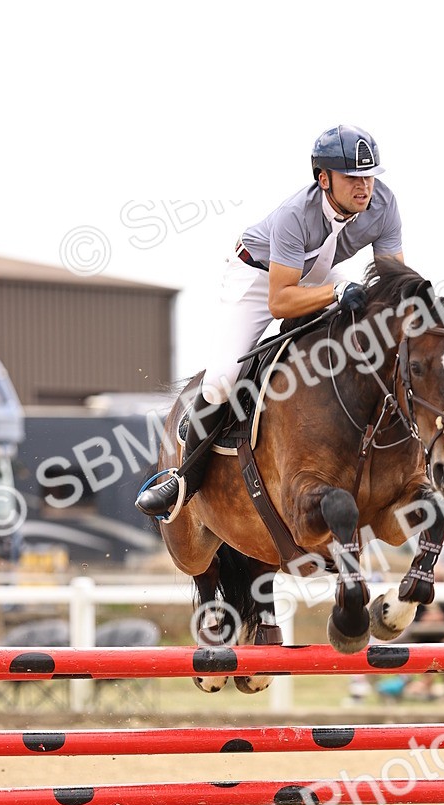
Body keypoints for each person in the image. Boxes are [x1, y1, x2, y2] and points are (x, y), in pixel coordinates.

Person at [137, 124, 404, 518]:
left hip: (318, 272)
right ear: (324, 179)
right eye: (352, 178)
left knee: (373, 315)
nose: (364, 187)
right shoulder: (295, 214)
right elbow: (281, 300)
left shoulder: (383, 204)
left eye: (368, 176)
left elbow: (393, 280)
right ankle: (183, 479)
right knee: (223, 379)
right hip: (259, 278)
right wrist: (334, 294)